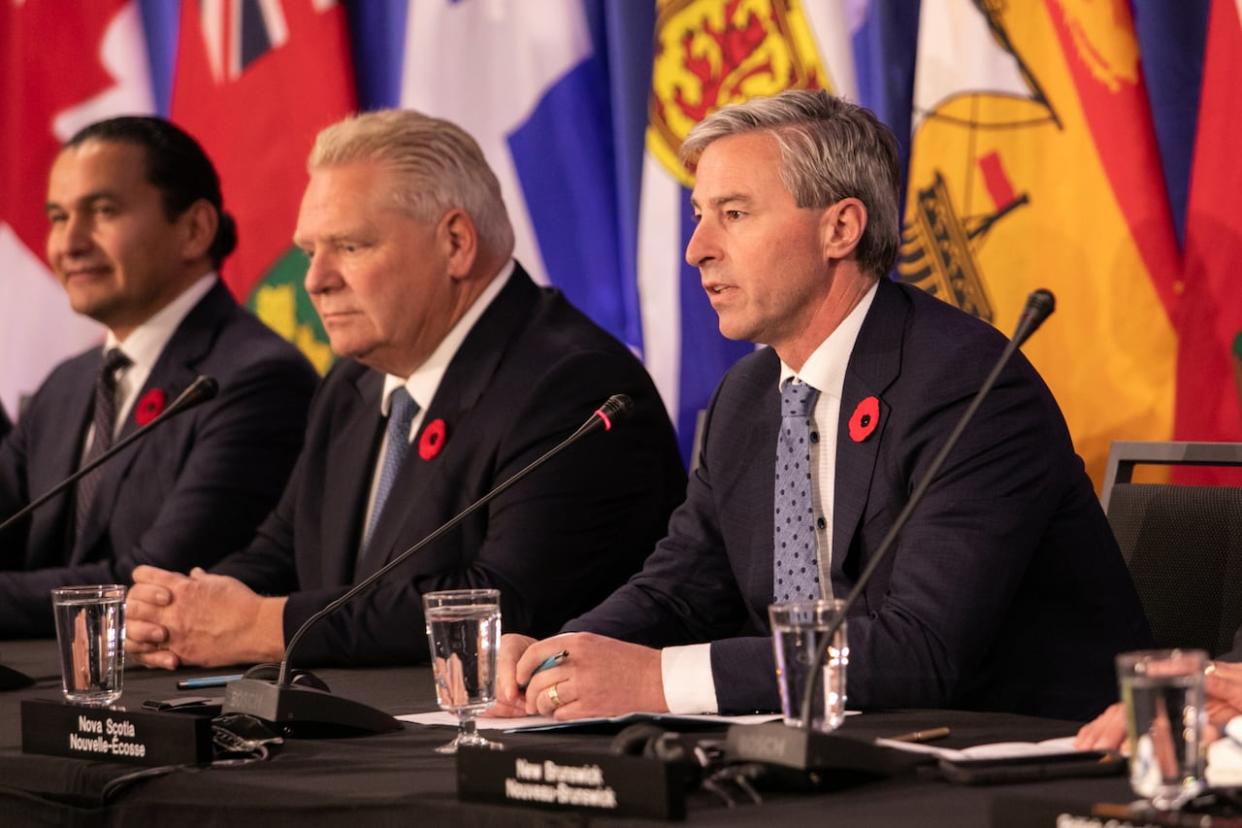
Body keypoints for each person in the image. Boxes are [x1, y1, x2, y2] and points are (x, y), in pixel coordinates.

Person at [493, 90, 1150, 723]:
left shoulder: (968, 387)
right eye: (699, 216)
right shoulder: (748, 397)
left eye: (735, 214)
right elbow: (680, 591)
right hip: (839, 752)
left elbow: (922, 651)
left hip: (1027, 757)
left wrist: (653, 680)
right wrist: (557, 657)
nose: (698, 250)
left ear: (839, 228)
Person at [124, 109, 685, 670]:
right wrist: (182, 611)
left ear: (456, 243)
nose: (315, 280)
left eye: (349, 246)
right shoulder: (353, 383)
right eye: (308, 251)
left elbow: (501, 600)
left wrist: (263, 626)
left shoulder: (572, 385)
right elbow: (281, 551)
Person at [0, 116, 317, 637]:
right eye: (58, 217)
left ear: (194, 229)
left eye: (102, 211)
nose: (69, 243)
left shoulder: (258, 378)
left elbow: (154, 584)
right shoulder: (65, 384)